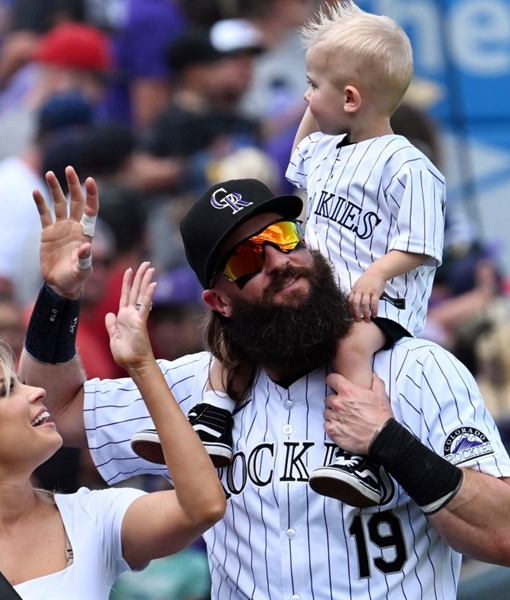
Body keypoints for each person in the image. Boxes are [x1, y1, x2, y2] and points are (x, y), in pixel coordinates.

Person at [20, 167, 510, 598]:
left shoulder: (416, 371)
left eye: (283, 237)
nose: (278, 262)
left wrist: (389, 441)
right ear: (218, 302)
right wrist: (60, 295)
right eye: (246, 259)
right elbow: (58, 407)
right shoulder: (197, 390)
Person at [131, 1, 446, 509]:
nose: (305, 95)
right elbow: (301, 152)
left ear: (349, 97)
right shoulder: (328, 148)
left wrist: (379, 272)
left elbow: (422, 243)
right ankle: (212, 420)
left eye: (313, 85)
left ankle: (357, 457)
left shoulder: (408, 164)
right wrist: (318, 99)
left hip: (377, 304)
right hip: (324, 292)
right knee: (240, 332)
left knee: (350, 349)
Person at [0, 260, 226, 598]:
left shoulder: (93, 517)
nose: (38, 390)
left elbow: (203, 506)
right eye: (8, 389)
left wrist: (142, 366)